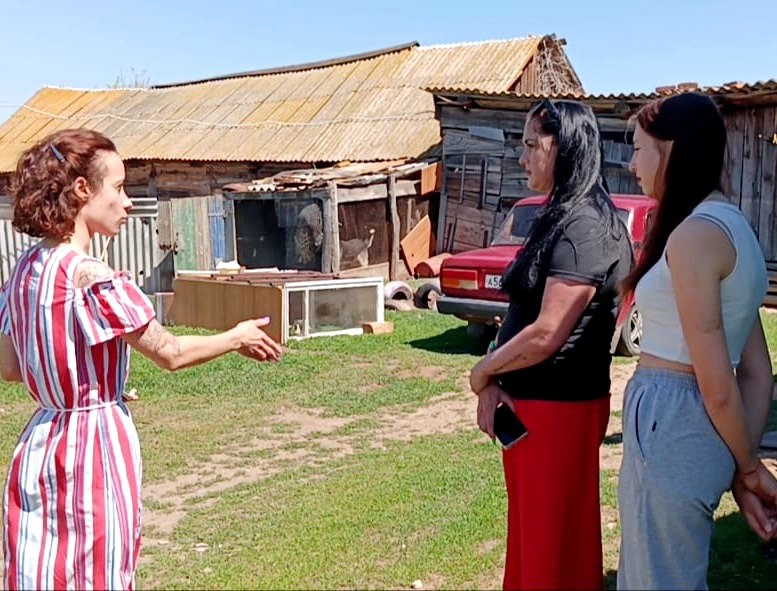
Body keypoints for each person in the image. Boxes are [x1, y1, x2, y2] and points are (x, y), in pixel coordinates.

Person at [0, 129, 283, 590]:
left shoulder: (24, 271)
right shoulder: (90, 275)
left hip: (40, 444)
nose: (128, 201)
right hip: (92, 448)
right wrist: (236, 337)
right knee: (97, 570)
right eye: (118, 187)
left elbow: (11, 368)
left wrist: (87, 382)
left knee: (42, 567)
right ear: (82, 190)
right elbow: (169, 353)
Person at [469, 99, 633, 590]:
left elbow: (547, 332)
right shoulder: (563, 212)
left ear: (563, 148)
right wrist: (496, 379)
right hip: (536, 412)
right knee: (538, 543)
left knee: (551, 549)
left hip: (557, 414)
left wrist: (483, 371)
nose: (521, 158)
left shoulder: (586, 225)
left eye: (530, 145)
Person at [617, 92, 777, 590]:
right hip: (693, 429)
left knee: (655, 578)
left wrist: (748, 469)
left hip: (672, 421)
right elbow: (758, 375)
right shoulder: (735, 228)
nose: (631, 163)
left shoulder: (693, 237)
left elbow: (718, 385)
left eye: (639, 148)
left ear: (671, 149)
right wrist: (737, 461)